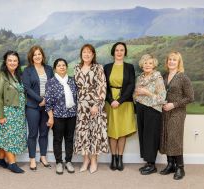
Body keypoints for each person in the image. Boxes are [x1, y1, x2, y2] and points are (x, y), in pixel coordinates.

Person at [74, 44, 109, 174]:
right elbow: (76, 88)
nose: (87, 54)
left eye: (89, 52)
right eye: (84, 52)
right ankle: (86, 160)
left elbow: (102, 87)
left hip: (95, 105)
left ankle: (94, 161)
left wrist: (97, 104)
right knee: (82, 133)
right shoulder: (76, 68)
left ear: (93, 55)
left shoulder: (98, 68)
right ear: (81, 54)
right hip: (81, 105)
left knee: (94, 132)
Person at [0, 51, 27, 173]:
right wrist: (0, 115)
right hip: (7, 111)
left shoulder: (17, 75)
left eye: (15, 60)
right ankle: (12, 163)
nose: (12, 63)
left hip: (17, 112)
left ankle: (1, 159)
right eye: (10, 60)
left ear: (18, 62)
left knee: (6, 136)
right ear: (5, 62)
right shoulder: (1, 76)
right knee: (8, 137)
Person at [159, 51, 194, 180]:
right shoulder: (164, 75)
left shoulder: (183, 77)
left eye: (174, 60)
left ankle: (180, 167)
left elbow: (190, 98)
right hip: (164, 111)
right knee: (167, 136)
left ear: (179, 62)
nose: (171, 62)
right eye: (170, 59)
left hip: (177, 112)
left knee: (175, 138)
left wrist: (173, 105)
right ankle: (170, 164)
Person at [104, 42, 137, 171]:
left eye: (121, 50)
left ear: (125, 52)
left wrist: (120, 100)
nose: (119, 52)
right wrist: (111, 100)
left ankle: (120, 158)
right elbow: (104, 86)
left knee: (122, 131)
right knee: (112, 132)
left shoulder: (129, 67)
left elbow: (131, 85)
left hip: (125, 103)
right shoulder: (106, 67)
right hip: (110, 103)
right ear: (113, 52)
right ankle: (113, 158)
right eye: (117, 50)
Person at [22, 45, 54, 170]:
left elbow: (52, 86)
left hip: (46, 106)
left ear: (42, 55)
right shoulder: (27, 70)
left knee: (44, 132)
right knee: (33, 133)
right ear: (31, 57)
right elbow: (27, 88)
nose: (37, 56)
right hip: (32, 106)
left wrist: (46, 100)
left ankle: (43, 157)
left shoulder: (49, 69)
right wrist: (40, 100)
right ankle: (32, 159)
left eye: (39, 54)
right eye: (35, 54)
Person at [133, 54, 166, 175]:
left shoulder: (157, 77)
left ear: (154, 65)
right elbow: (136, 93)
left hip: (152, 110)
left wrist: (147, 92)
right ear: (142, 65)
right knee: (143, 136)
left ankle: (152, 165)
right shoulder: (140, 77)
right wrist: (136, 95)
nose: (147, 65)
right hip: (141, 108)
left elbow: (162, 97)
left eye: (150, 63)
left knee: (151, 137)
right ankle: (148, 162)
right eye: (145, 63)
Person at [45, 58, 77, 175]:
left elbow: (77, 98)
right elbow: (48, 102)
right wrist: (50, 117)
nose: (62, 67)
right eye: (59, 65)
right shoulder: (51, 82)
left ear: (66, 67)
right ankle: (59, 162)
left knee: (69, 139)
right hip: (57, 116)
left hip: (71, 115)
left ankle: (68, 161)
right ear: (55, 68)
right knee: (57, 140)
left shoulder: (73, 81)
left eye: (64, 65)